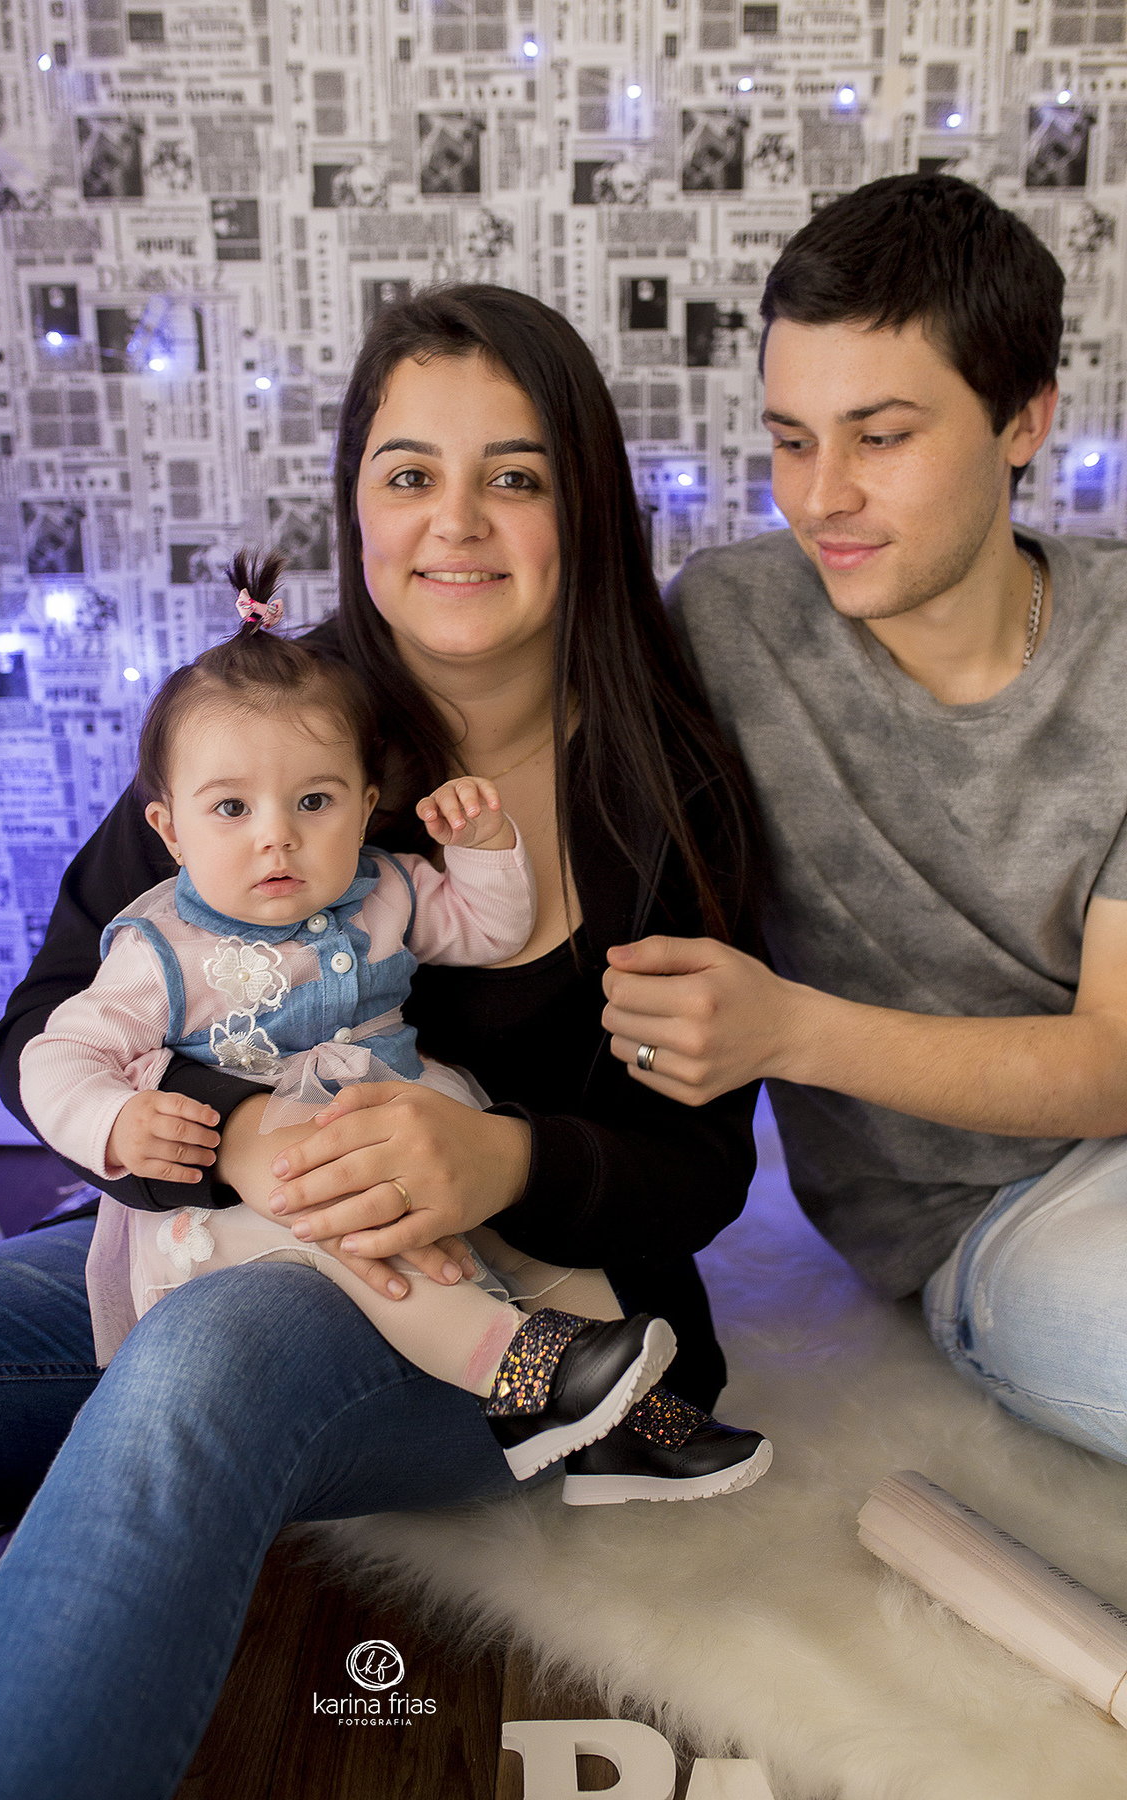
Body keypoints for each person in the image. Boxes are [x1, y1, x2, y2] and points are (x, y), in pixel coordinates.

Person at [0, 284, 765, 1798]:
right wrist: (231, 1130)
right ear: (355, 504)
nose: (456, 523)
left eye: (514, 476)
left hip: (502, 1315)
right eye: (408, 476)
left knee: (198, 1369)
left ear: (580, 507)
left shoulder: (663, 785)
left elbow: (700, 1173)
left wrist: (502, 1155)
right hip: (221, 1227)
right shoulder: (266, 729)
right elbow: (46, 1028)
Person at [605, 172, 1127, 1467]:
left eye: (879, 436)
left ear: (1024, 421)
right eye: (791, 438)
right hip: (988, 1218)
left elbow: (1114, 1059)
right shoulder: (728, 626)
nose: (819, 494)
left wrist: (790, 1029)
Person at [18, 551, 691, 1488]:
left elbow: (490, 932)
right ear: (169, 831)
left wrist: (486, 850)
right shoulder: (162, 949)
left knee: (522, 1236)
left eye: (314, 802)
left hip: (415, 1131)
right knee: (391, 1256)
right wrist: (119, 1122)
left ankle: (624, 1399)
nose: (276, 836)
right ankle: (522, 1374)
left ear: (367, 806)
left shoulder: (383, 887)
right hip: (276, 1199)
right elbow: (56, 1054)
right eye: (231, 808)